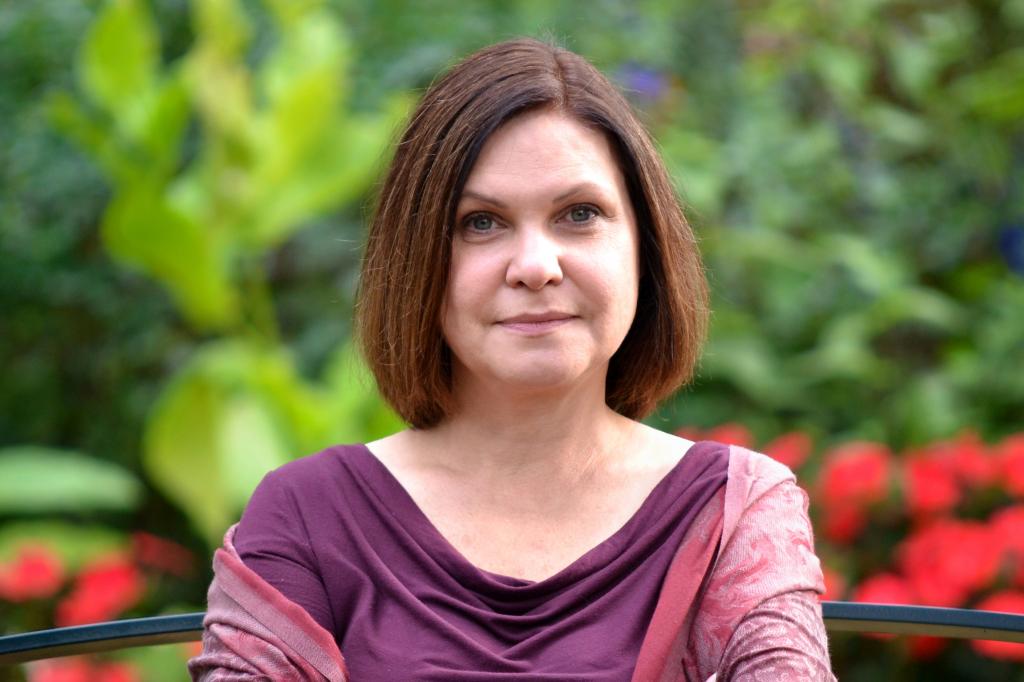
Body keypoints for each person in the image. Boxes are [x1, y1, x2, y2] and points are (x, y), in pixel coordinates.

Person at [189, 38, 835, 681]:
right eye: (481, 223)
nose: (535, 266)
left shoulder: (731, 513)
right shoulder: (307, 515)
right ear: (417, 259)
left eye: (579, 214)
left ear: (646, 246)